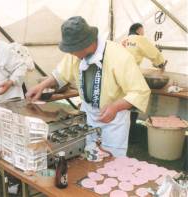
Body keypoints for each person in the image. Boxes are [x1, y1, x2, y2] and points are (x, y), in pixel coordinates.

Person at [26, 16, 151, 157]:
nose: (71, 54)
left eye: (73, 50)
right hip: (88, 116)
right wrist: (41, 86)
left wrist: (116, 107)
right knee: (87, 158)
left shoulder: (119, 56)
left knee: (111, 162)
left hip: (113, 120)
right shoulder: (76, 54)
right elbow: (61, 74)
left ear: (86, 44)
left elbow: (140, 91)